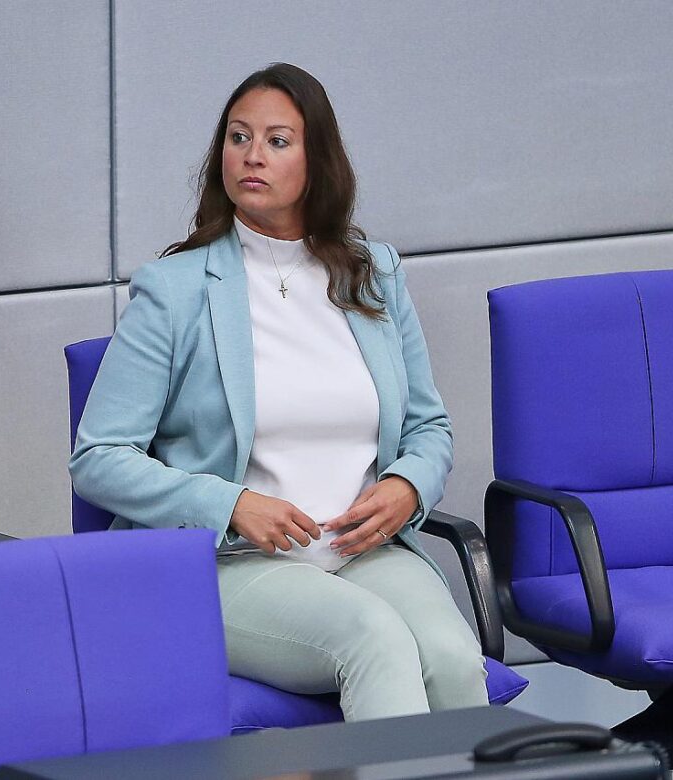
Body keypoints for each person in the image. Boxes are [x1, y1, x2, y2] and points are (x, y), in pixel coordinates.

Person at [69, 63, 487, 721]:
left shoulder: (374, 274)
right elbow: (98, 458)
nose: (252, 156)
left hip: (359, 552)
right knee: (375, 642)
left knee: (455, 659)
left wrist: (408, 487)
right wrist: (231, 503)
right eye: (238, 138)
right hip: (230, 565)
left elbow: (427, 427)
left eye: (277, 141)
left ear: (317, 163)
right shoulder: (174, 290)